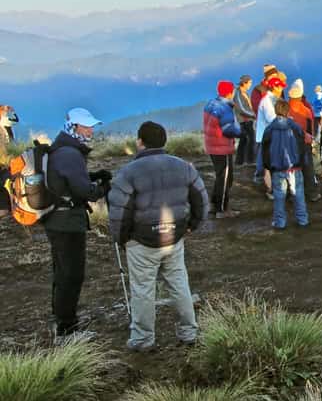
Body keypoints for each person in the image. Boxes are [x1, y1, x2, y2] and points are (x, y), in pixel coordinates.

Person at [107, 121, 208, 352]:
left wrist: (121, 238)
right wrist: (192, 225)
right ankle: (189, 332)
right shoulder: (183, 166)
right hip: (174, 237)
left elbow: (119, 211)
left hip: (141, 241)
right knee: (179, 284)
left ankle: (143, 339)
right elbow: (200, 198)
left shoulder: (128, 172)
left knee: (143, 290)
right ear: (164, 141)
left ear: (140, 142)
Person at [44, 108, 111, 343]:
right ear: (74, 127)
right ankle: (67, 331)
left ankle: (61, 322)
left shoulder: (62, 150)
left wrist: (92, 176)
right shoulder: (70, 154)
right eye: (86, 126)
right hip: (67, 222)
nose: (91, 130)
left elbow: (69, 181)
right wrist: (102, 188)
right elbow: (84, 191)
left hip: (57, 220)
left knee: (62, 272)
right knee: (71, 275)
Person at [261, 100, 309, 230]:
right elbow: (302, 146)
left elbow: (264, 150)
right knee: (298, 194)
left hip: (277, 168)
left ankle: (280, 223)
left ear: (276, 111)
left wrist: (267, 167)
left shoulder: (269, 129)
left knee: (279, 196)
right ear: (288, 112)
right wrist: (302, 162)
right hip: (295, 167)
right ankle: (302, 220)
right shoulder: (295, 127)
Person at [202, 80, 242, 218]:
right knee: (226, 178)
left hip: (211, 144)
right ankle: (222, 210)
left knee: (221, 176)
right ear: (230, 92)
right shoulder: (225, 108)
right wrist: (242, 133)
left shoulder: (211, 104)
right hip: (221, 146)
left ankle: (215, 204)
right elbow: (228, 129)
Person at [288, 79, 320, 202]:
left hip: (289, 144)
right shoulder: (306, 110)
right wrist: (310, 140)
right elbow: (310, 128)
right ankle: (311, 193)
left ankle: (292, 194)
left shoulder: (286, 109)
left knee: (291, 169)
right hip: (304, 143)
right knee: (308, 168)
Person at [254, 74, 286, 187]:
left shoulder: (272, 99)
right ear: (274, 87)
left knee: (263, 159)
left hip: (267, 135)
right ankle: (263, 181)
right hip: (265, 135)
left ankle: (262, 179)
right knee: (264, 160)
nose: (282, 89)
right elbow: (272, 118)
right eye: (280, 87)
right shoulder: (267, 101)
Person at [233, 75, 257, 166]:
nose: (250, 84)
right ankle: (250, 161)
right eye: (250, 83)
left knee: (244, 140)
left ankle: (239, 161)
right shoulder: (238, 93)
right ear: (244, 83)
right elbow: (241, 109)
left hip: (248, 119)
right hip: (244, 120)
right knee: (251, 139)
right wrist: (253, 115)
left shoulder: (245, 93)